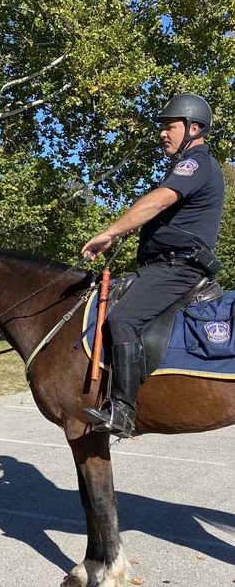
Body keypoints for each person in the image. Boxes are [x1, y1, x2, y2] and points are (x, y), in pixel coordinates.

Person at [82, 93, 225, 437]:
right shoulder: (185, 165)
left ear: (193, 128)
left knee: (123, 319)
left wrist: (110, 233)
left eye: (169, 126)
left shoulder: (196, 164)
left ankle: (123, 411)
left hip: (179, 268)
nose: (162, 133)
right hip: (161, 267)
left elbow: (158, 201)